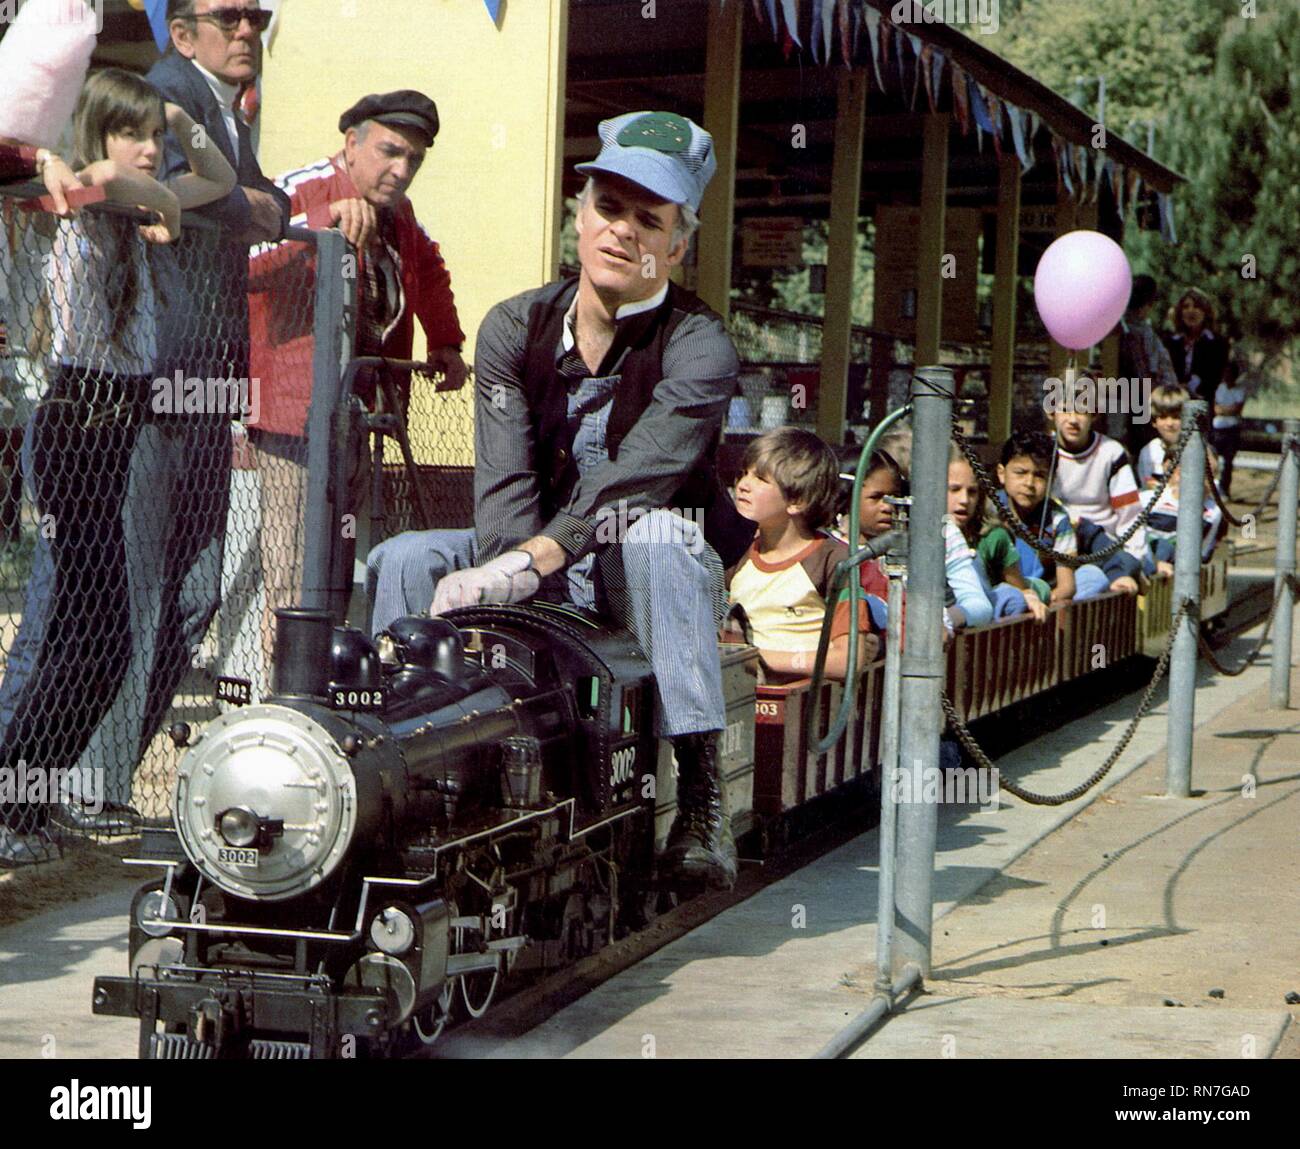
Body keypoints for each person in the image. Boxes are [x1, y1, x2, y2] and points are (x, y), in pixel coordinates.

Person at [367, 112, 754, 889]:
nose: (623, 233)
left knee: (660, 541)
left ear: (678, 246)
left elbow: (635, 484)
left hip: (632, 569)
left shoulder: (700, 345)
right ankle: (391, 767)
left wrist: (536, 557)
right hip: (529, 551)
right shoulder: (515, 326)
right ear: (578, 216)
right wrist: (509, 569)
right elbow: (505, 485)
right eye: (609, 207)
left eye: (651, 220)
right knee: (403, 556)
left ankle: (702, 799)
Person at [0, 69, 235, 865]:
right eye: (134, 131)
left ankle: (31, 800)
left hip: (119, 423)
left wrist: (180, 117)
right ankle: (11, 801)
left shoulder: (132, 194)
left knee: (103, 639)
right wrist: (160, 197)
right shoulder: (98, 189)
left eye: (156, 136)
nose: (151, 147)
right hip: (74, 420)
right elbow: (135, 185)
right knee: (80, 631)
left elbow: (217, 181)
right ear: (98, 133)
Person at [115, 0, 290, 785]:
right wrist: (246, 203)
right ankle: (80, 777)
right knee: (136, 592)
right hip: (155, 378)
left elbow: (273, 206)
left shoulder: (225, 108)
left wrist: (250, 203)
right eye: (231, 16)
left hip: (207, 380)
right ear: (183, 33)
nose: (250, 29)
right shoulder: (165, 94)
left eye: (257, 14)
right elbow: (186, 193)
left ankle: (107, 772)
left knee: (194, 590)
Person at [248, 90, 467, 666]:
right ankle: (291, 700)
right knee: (295, 581)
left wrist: (445, 339)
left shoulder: (400, 214)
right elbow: (234, 254)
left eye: (414, 159)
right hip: (294, 421)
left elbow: (431, 267)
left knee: (340, 572)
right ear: (352, 142)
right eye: (391, 151)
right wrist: (320, 226)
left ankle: (334, 687)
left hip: (362, 415)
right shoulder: (301, 186)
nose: (401, 170)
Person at [727, 428, 877, 683]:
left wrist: (761, 658)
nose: (742, 485)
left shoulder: (834, 561)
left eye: (761, 479)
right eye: (743, 474)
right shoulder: (737, 554)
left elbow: (848, 660)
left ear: (798, 500)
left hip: (805, 710)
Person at [836, 429, 992, 637]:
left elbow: (979, 606)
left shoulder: (937, 531)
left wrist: (938, 622)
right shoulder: (830, 546)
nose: (888, 506)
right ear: (848, 496)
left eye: (895, 495)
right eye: (876, 497)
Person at [1050, 397, 1148, 592]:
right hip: (1058, 545)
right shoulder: (1043, 450)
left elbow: (1129, 513)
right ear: (1051, 413)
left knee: (1121, 566)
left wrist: (1136, 557)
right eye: (1065, 410)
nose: (1073, 419)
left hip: (1104, 545)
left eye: (1081, 411)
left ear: (1094, 414)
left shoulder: (1111, 452)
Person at [948, 450, 1047, 623]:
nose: (964, 499)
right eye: (954, 489)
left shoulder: (993, 536)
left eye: (972, 492)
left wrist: (1029, 596)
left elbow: (1020, 588)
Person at [994, 430, 1083, 605]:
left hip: (1043, 595)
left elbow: (1067, 585)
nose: (1029, 484)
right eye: (1020, 472)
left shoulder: (1057, 519)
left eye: (1040, 476)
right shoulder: (989, 510)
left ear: (1052, 480)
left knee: (1093, 577)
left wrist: (1043, 601)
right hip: (1002, 596)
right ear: (1001, 474)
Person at [1116, 273, 1178, 456]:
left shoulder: (1137, 329)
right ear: (1149, 304)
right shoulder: (1135, 332)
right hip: (1148, 403)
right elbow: (1146, 374)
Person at [1162, 287, 1229, 403]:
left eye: (1197, 307)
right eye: (1186, 307)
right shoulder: (1170, 342)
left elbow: (1213, 379)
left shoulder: (1217, 343)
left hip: (1201, 404)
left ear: (1205, 312)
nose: (1191, 311)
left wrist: (1189, 390)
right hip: (1171, 403)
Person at [1136, 384, 1190, 489]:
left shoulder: (1195, 448)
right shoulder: (1149, 451)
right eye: (1163, 417)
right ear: (1154, 421)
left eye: (1176, 417)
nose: (1169, 423)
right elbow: (1147, 487)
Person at [1211, 354, 1248, 499]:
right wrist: (1226, 410)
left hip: (1232, 429)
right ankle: (1212, 488)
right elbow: (1216, 408)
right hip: (1218, 428)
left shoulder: (1239, 390)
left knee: (1228, 462)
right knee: (1213, 459)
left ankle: (1224, 490)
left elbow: (1236, 409)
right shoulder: (1218, 388)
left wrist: (1223, 410)